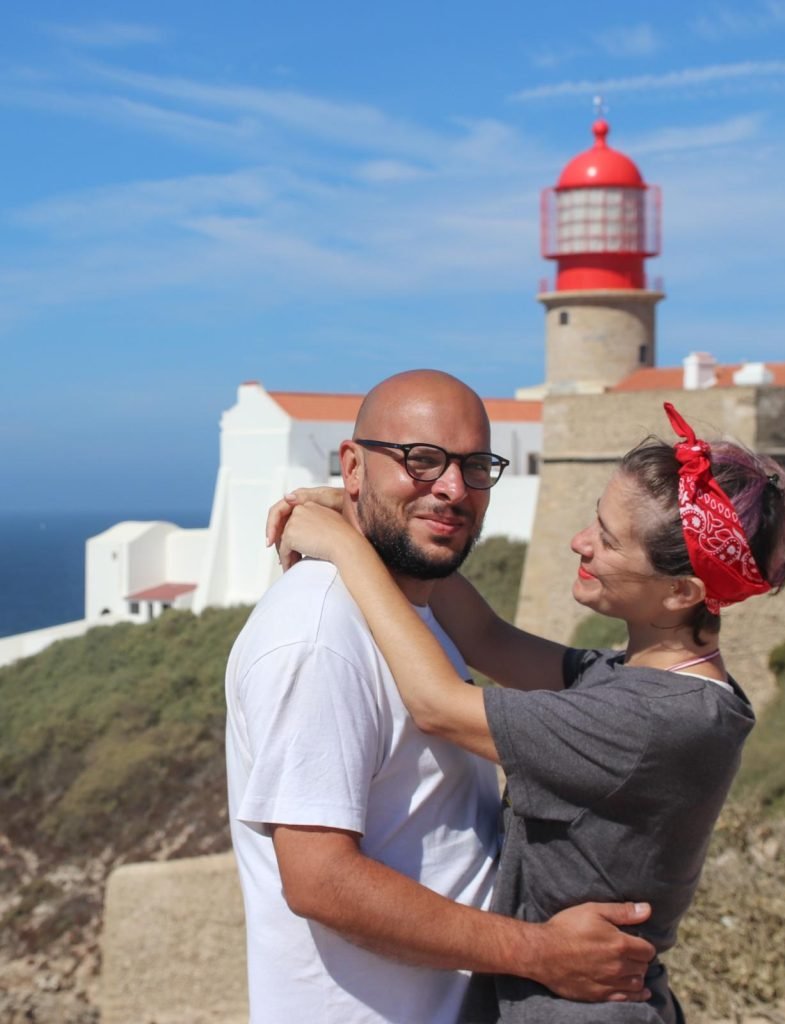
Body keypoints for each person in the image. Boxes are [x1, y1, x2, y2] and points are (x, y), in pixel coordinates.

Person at [275, 400, 785, 1023]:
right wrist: (371, 515)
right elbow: (487, 638)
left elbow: (439, 706)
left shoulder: (653, 722)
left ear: (681, 591)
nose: (580, 542)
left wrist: (345, 547)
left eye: (608, 540)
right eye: (594, 521)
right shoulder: (652, 686)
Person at [226, 369, 657, 1024]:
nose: (452, 488)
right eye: (420, 460)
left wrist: (350, 515)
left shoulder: (411, 606)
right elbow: (319, 881)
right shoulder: (318, 636)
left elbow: (488, 634)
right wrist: (537, 952)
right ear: (352, 463)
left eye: (474, 466)